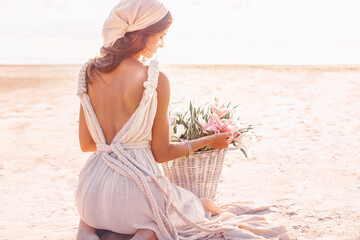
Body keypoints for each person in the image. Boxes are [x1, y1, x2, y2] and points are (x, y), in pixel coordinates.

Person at [75, 0, 295, 239]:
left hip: (90, 197)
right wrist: (209, 141)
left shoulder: (89, 73)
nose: (160, 44)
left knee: (172, 204)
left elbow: (87, 144)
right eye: (160, 36)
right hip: (134, 196)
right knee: (191, 206)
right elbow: (161, 153)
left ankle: (109, 229)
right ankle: (151, 229)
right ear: (142, 34)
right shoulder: (154, 79)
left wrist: (114, 147)